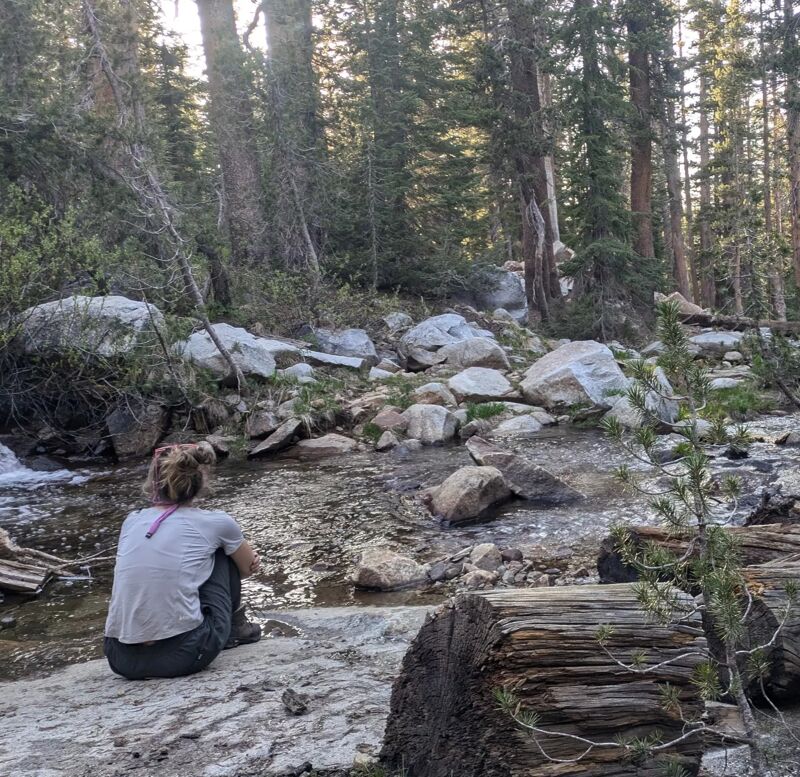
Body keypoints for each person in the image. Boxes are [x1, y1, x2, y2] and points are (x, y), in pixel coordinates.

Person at [104, 441, 262, 680]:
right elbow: (247, 568)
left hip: (121, 658)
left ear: (155, 484)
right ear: (200, 483)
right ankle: (235, 629)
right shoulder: (216, 522)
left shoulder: (132, 520)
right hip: (185, 655)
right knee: (221, 553)